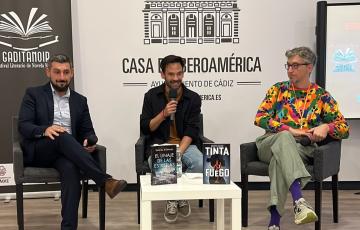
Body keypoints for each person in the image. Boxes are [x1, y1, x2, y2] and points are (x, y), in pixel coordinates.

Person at [18, 54, 127, 230]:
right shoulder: (33, 94)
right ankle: (105, 181)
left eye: (66, 72)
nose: (62, 77)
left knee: (70, 168)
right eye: (57, 72)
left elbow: (88, 130)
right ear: (48, 72)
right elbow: (24, 126)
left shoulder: (80, 100)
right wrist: (45, 130)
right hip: (40, 150)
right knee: (61, 134)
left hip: (67, 153)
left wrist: (88, 141)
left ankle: (68, 227)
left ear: (72, 73)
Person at [254, 47, 349, 230]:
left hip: (301, 149)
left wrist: (326, 126)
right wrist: (290, 130)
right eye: (288, 66)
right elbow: (260, 117)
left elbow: (343, 128)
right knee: (284, 138)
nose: (290, 70)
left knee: (279, 161)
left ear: (309, 67)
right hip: (269, 143)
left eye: (295, 66)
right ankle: (298, 199)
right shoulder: (278, 89)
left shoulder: (322, 96)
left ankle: (274, 223)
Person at [140, 55, 203, 223]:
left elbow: (192, 130)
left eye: (179, 74)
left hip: (185, 144)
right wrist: (163, 114)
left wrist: (178, 153)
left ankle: (177, 195)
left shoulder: (193, 98)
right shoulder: (151, 96)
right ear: (162, 74)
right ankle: (175, 197)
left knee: (199, 163)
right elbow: (146, 127)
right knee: (160, 163)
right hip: (159, 144)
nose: (176, 78)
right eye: (171, 74)